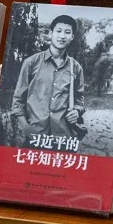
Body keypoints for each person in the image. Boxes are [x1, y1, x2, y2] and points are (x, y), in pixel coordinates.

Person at [11, 15, 85, 143]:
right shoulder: (31, 63)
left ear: (72, 37)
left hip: (64, 136)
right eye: (59, 31)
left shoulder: (76, 67)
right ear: (51, 33)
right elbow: (18, 99)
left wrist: (77, 112)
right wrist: (26, 128)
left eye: (67, 32)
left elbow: (80, 99)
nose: (62, 36)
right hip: (34, 136)